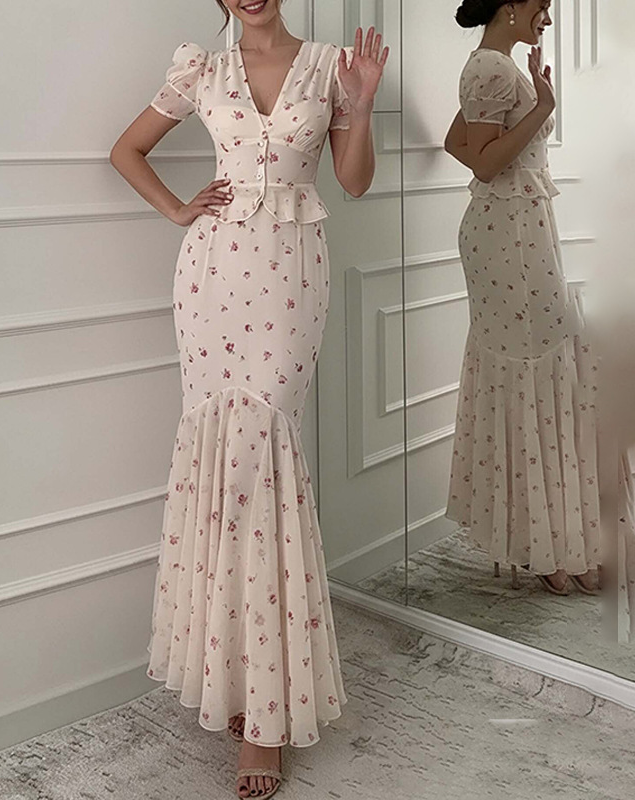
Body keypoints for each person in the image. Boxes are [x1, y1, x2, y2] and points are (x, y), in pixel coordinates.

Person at [110, 2, 388, 796]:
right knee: (222, 473)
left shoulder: (332, 66)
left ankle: (268, 714)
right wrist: (177, 209)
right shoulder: (201, 68)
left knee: (263, 462)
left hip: (290, 276)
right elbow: (127, 150)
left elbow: (354, 182)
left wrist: (362, 106)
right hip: (212, 276)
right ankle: (231, 679)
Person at [443, 0, 601, 596]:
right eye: (542, 6)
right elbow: (484, 164)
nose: (548, 19)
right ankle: (541, 547)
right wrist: (542, 109)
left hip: (518, 226)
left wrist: (530, 114)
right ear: (510, 5)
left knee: (547, 371)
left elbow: (458, 142)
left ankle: (556, 540)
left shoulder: (493, 65)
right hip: (507, 232)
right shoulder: (490, 66)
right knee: (534, 372)